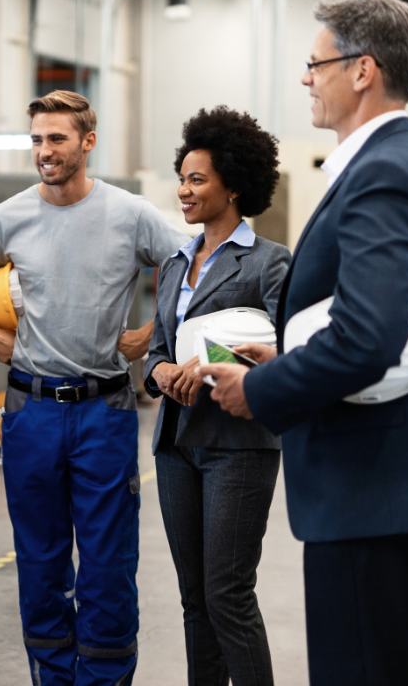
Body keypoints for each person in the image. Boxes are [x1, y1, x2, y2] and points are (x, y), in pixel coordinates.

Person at [201, 0, 408, 686]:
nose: (306, 78)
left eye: (316, 64)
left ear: (363, 70)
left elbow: (369, 337)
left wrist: (263, 388)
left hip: (370, 488)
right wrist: (291, 357)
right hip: (396, 485)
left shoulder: (385, 173)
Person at [0, 90, 188, 686]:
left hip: (103, 410)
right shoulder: (6, 217)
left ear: (88, 142)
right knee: (40, 563)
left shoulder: (130, 214)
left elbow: (190, 268)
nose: (44, 151)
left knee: (108, 565)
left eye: (56, 138)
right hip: (30, 409)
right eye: (36, 139)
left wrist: (151, 335)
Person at [144, 107, 290, 686]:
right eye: (181, 179)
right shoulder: (174, 263)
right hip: (176, 444)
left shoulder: (269, 262)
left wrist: (206, 365)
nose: (183, 190)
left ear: (233, 185)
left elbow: (286, 350)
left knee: (227, 594)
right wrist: (163, 373)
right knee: (194, 598)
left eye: (197, 179)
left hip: (238, 444)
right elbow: (156, 353)